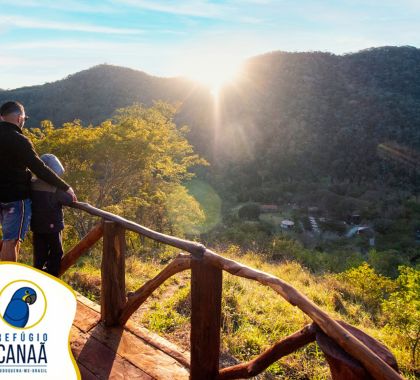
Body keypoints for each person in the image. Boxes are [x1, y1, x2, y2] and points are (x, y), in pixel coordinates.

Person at [0, 101, 76, 262]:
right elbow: (39, 168)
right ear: (19, 118)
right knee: (11, 240)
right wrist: (65, 186)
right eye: (24, 119)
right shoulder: (20, 140)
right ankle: (6, 281)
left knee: (11, 239)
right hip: (15, 198)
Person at [31, 154, 73, 277]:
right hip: (53, 226)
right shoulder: (55, 188)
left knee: (39, 254)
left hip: (36, 225)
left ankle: (37, 278)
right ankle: (51, 277)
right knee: (56, 252)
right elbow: (69, 200)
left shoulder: (32, 183)